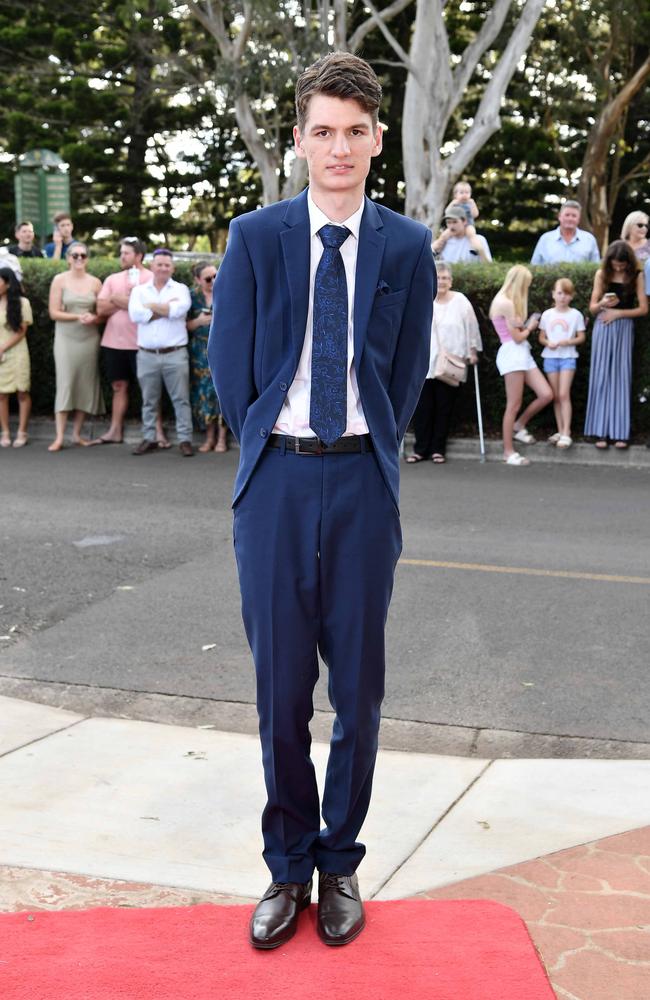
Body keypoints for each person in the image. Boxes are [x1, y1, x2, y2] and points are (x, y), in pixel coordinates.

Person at [209, 52, 434, 950]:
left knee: (360, 689)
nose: (337, 148)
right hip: (277, 481)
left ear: (377, 140)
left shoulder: (408, 247)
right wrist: (275, 451)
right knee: (278, 693)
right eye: (321, 131)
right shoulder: (256, 236)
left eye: (354, 132)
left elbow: (406, 368)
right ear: (299, 141)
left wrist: (366, 452)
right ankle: (286, 869)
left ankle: (339, 864)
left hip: (361, 484)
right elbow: (231, 370)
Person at [93, 238, 168, 447]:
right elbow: (100, 309)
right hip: (113, 343)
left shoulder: (152, 277)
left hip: (143, 344)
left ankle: (158, 432)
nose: (121, 256)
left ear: (138, 256)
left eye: (126, 253)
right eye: (121, 252)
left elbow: (156, 308)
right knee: (118, 386)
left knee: (150, 390)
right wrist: (132, 302)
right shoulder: (112, 279)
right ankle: (115, 430)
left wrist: (119, 299)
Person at [407, 261, 481, 464]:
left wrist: (472, 350)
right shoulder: (423, 299)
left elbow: (471, 327)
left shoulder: (461, 301)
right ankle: (420, 450)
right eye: (438, 277)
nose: (442, 281)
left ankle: (438, 449)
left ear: (452, 281)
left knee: (444, 408)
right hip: (424, 363)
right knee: (422, 409)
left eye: (446, 278)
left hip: (450, 362)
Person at [128, 248, 194, 456]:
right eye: (159, 264)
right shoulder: (139, 291)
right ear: (151, 266)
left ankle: (185, 439)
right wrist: (165, 308)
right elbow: (136, 315)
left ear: (172, 267)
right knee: (149, 400)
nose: (163, 268)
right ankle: (149, 438)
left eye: (167, 265)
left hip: (175, 353)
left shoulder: (181, 289)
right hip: (147, 354)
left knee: (181, 399)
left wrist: (151, 308)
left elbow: (179, 311)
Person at [584, 240, 648, 449]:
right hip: (603, 328)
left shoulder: (637, 275)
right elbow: (592, 308)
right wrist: (603, 303)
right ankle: (599, 431)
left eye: (622, 264)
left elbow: (643, 309)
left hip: (624, 328)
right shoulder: (602, 274)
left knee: (621, 377)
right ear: (609, 261)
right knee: (601, 376)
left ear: (628, 262)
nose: (618, 267)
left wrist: (619, 313)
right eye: (615, 264)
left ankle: (620, 432)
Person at [489, 264, 553, 466]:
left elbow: (517, 332)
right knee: (513, 404)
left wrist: (525, 327)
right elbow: (516, 337)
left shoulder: (505, 301)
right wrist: (531, 327)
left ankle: (520, 424)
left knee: (546, 394)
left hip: (521, 352)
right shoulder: (506, 303)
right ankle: (508, 452)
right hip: (513, 353)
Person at [48, 242, 105, 451]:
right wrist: (77, 316)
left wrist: (94, 317)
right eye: (75, 255)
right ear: (68, 258)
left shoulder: (95, 283)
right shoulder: (59, 280)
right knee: (65, 382)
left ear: (87, 258)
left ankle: (77, 434)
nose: (79, 258)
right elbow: (54, 312)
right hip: (66, 339)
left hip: (89, 339)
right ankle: (59, 436)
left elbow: (101, 315)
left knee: (85, 384)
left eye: (83, 255)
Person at [538, 278, 586, 449]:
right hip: (550, 357)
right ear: (553, 294)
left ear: (571, 296)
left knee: (564, 394)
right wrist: (548, 342)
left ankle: (566, 432)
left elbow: (581, 337)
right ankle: (560, 430)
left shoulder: (576, 315)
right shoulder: (547, 315)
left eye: (566, 294)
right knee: (556, 396)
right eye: (559, 293)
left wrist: (568, 341)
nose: (562, 297)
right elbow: (541, 337)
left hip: (568, 357)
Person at [186, 261, 228, 453]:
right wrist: (198, 321)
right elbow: (182, 325)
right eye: (208, 278)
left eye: (216, 276)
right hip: (199, 353)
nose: (213, 281)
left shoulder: (228, 291)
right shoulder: (192, 297)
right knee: (204, 395)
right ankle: (209, 437)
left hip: (223, 350)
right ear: (197, 280)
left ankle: (221, 439)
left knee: (222, 395)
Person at [0, 267, 33, 448]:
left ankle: (22, 431)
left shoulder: (22, 303)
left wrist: (3, 348)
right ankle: (5, 432)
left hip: (17, 352)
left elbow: (22, 331)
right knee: (1, 395)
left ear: (7, 283)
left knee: (22, 392)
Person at [530, 200, 600, 265]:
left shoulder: (589, 240)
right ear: (559, 217)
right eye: (567, 215)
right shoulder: (545, 239)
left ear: (579, 219)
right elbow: (534, 266)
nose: (570, 219)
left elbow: (596, 268)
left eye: (574, 216)